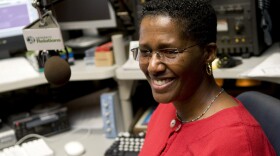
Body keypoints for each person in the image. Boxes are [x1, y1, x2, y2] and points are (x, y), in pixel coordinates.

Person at [130, 0, 276, 155]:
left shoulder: (234, 140)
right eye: (145, 52)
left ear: (208, 53)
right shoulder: (168, 106)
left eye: (170, 52)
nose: (153, 66)